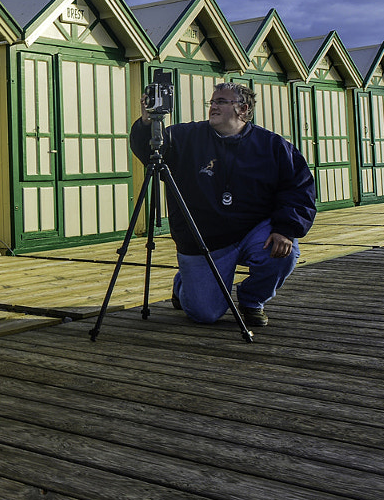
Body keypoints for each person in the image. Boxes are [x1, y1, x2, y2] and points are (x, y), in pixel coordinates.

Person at [129, 81, 316, 327]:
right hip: (204, 240)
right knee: (204, 314)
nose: (213, 107)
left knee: (283, 253)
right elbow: (150, 152)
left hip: (254, 231)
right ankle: (184, 282)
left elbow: (299, 189)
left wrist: (286, 229)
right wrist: (146, 123)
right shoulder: (183, 136)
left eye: (221, 102)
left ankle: (252, 301)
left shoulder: (273, 146)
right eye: (212, 101)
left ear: (243, 109)